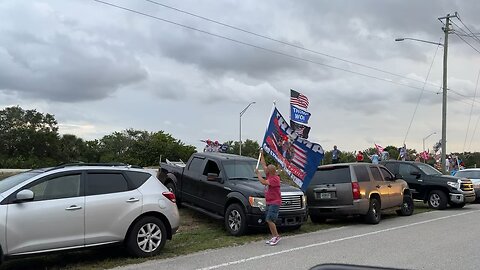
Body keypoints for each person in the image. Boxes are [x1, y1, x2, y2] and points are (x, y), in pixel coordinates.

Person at [255, 151, 282, 246]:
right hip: (269, 201)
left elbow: (263, 182)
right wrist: (261, 154)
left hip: (275, 202)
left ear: (270, 171)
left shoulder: (275, 179)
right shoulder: (269, 174)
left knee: (270, 219)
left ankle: (277, 236)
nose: (265, 170)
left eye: (267, 170)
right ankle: (274, 236)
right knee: (268, 220)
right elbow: (263, 164)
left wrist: (258, 174)